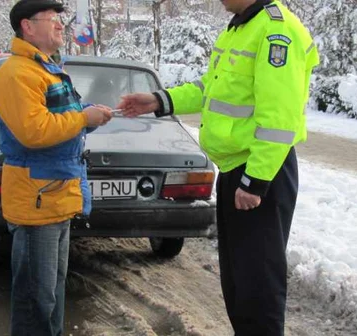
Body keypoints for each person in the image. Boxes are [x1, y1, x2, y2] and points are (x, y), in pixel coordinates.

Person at [117, 0, 320, 334]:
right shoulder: (240, 28)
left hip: (261, 173)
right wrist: (159, 100)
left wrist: (255, 181)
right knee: (238, 284)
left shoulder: (275, 30)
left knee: (258, 286)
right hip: (236, 170)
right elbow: (209, 89)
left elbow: (279, 119)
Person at [0, 0, 113, 335]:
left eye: (61, 19)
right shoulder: (16, 73)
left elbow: (63, 114)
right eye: (52, 19)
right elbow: (34, 131)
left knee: (52, 293)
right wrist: (83, 118)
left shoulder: (46, 68)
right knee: (36, 299)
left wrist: (90, 113)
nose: (61, 25)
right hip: (36, 202)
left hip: (55, 195)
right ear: (27, 26)